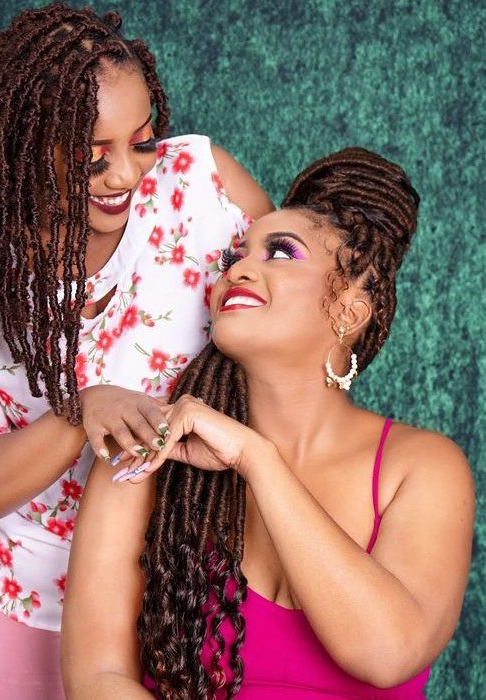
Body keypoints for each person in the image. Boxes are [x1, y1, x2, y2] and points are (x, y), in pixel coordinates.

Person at [0, 4, 273, 699]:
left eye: (142, 140)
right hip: (1, 595)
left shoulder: (203, 189)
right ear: (22, 143)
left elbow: (289, 320)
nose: (125, 174)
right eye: (89, 154)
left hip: (169, 587)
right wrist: (82, 411)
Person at [61, 147, 475, 699]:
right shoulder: (145, 449)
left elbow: (388, 653)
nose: (237, 269)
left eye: (281, 251)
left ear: (349, 311)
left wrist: (256, 458)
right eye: (235, 256)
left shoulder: (425, 468)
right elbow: (96, 680)